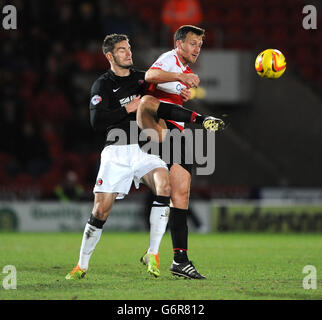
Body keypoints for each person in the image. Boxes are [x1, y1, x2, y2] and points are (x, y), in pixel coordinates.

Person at [65, 34, 179, 279]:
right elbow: (96, 121)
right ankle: (81, 265)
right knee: (100, 211)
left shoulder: (142, 79)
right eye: (122, 50)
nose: (128, 53)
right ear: (110, 56)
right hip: (115, 152)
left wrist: (181, 92)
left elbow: (166, 96)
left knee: (164, 184)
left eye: (129, 48)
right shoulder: (102, 85)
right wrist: (128, 108)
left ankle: (153, 253)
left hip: (143, 149)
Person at [137, 25, 225, 279]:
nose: (198, 48)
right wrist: (179, 79)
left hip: (176, 134)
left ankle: (180, 261)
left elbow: (170, 96)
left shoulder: (184, 70)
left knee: (181, 194)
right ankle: (202, 119)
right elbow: (151, 76)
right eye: (193, 43)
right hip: (156, 129)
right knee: (147, 102)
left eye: (200, 44)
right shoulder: (170, 59)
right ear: (179, 44)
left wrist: (181, 91)